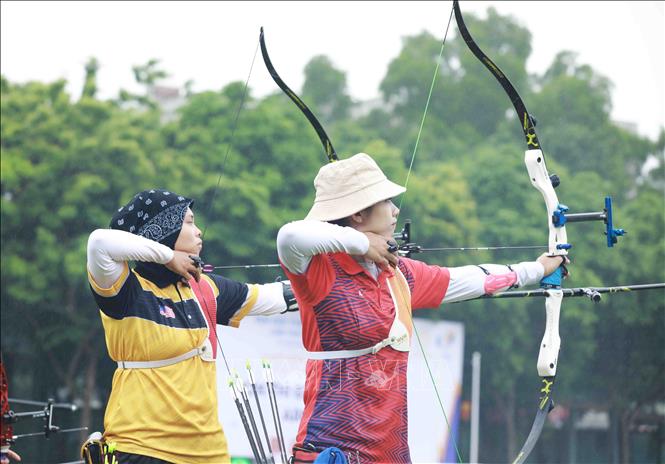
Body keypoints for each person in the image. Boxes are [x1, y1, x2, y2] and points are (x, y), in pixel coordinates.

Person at [276, 153, 566, 463]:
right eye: (387, 202)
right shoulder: (320, 271)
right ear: (358, 214)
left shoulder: (399, 273)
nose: (395, 210)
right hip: (330, 451)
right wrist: (361, 244)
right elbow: (289, 236)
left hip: (391, 454)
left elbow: (467, 280)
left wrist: (535, 269)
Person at [86, 189, 296, 464]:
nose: (198, 232)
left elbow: (276, 297)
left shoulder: (205, 287)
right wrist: (168, 256)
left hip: (208, 454)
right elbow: (98, 242)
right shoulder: (128, 289)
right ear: (165, 228)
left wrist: (327, 279)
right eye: (188, 222)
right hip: (143, 449)